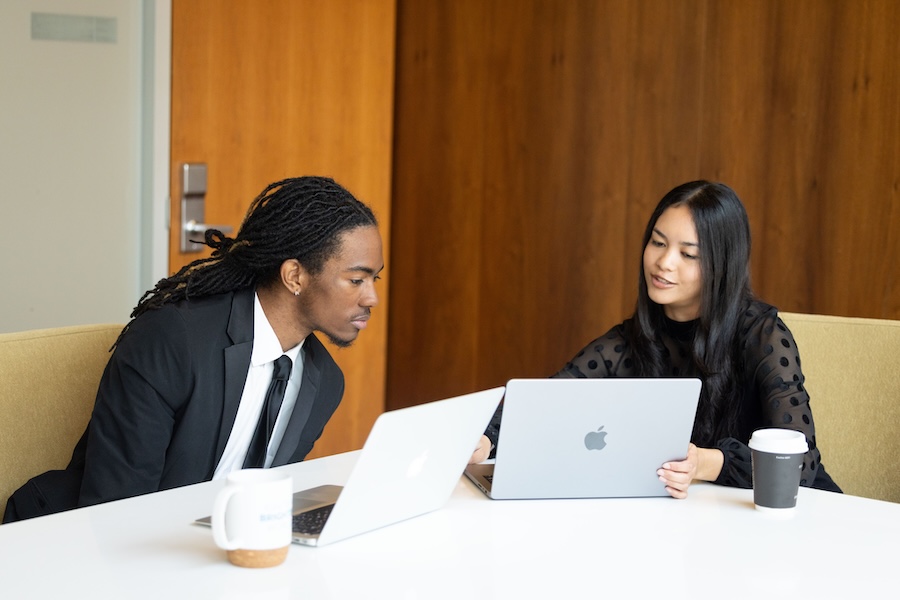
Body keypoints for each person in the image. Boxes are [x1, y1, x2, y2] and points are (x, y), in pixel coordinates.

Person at [4, 176, 384, 522]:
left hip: (211, 548)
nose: (372, 298)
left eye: (374, 279)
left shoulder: (323, 381)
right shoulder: (173, 339)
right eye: (356, 279)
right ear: (295, 275)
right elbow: (116, 509)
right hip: (75, 542)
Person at [471, 180, 840, 498]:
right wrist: (486, 440)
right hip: (706, 527)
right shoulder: (630, 341)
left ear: (721, 265)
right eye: (658, 243)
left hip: (799, 521)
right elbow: (544, 403)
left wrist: (705, 463)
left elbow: (800, 463)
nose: (664, 262)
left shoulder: (762, 335)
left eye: (688, 254)